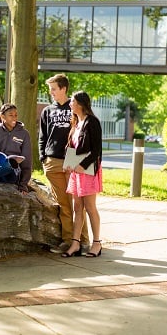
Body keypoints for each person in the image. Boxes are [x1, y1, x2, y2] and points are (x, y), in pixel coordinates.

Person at [39, 74, 90, 254]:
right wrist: (43, 157)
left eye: (54, 89)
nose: (51, 92)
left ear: (63, 88)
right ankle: (67, 241)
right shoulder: (47, 110)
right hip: (52, 161)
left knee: (76, 203)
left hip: (71, 158)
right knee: (63, 205)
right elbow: (43, 136)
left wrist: (81, 159)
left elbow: (85, 133)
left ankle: (83, 241)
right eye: (50, 89)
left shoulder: (75, 108)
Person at [61, 90, 103, 258]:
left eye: (72, 101)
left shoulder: (92, 122)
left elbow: (96, 150)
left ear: (80, 104)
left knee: (90, 207)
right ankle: (75, 243)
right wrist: (68, 163)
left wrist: (82, 165)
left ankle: (97, 243)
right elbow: (73, 147)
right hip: (76, 171)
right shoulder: (76, 123)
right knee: (77, 207)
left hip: (88, 170)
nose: (70, 104)